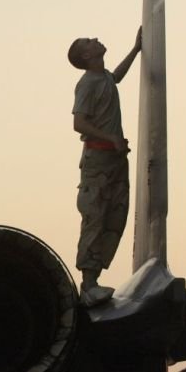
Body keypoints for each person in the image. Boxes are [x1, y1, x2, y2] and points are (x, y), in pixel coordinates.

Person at [67, 27, 142, 307]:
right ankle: (88, 284)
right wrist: (110, 137)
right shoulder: (87, 84)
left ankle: (95, 278)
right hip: (97, 161)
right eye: (88, 40)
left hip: (113, 158)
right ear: (86, 55)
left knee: (114, 216)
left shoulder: (104, 78)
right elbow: (79, 122)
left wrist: (135, 50)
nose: (94, 38)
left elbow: (116, 78)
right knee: (95, 216)